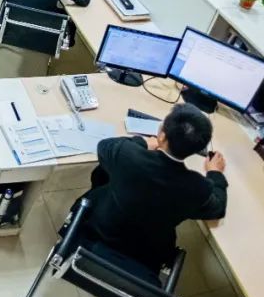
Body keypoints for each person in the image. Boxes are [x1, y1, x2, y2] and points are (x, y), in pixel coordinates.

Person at [79, 104, 227, 272]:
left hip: (97, 232)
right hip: (143, 259)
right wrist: (215, 173)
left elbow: (104, 146)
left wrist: (142, 142)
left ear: (162, 136)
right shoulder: (198, 187)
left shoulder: (127, 154)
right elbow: (217, 209)